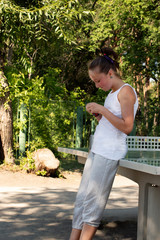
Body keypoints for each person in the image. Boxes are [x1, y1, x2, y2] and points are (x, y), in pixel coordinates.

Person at [69, 47, 138, 240]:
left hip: (109, 153)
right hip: (98, 150)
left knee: (93, 204)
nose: (97, 85)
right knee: (82, 200)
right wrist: (100, 115)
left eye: (98, 80)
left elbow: (127, 127)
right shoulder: (112, 94)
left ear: (110, 73)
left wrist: (103, 110)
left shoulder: (126, 92)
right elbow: (111, 125)